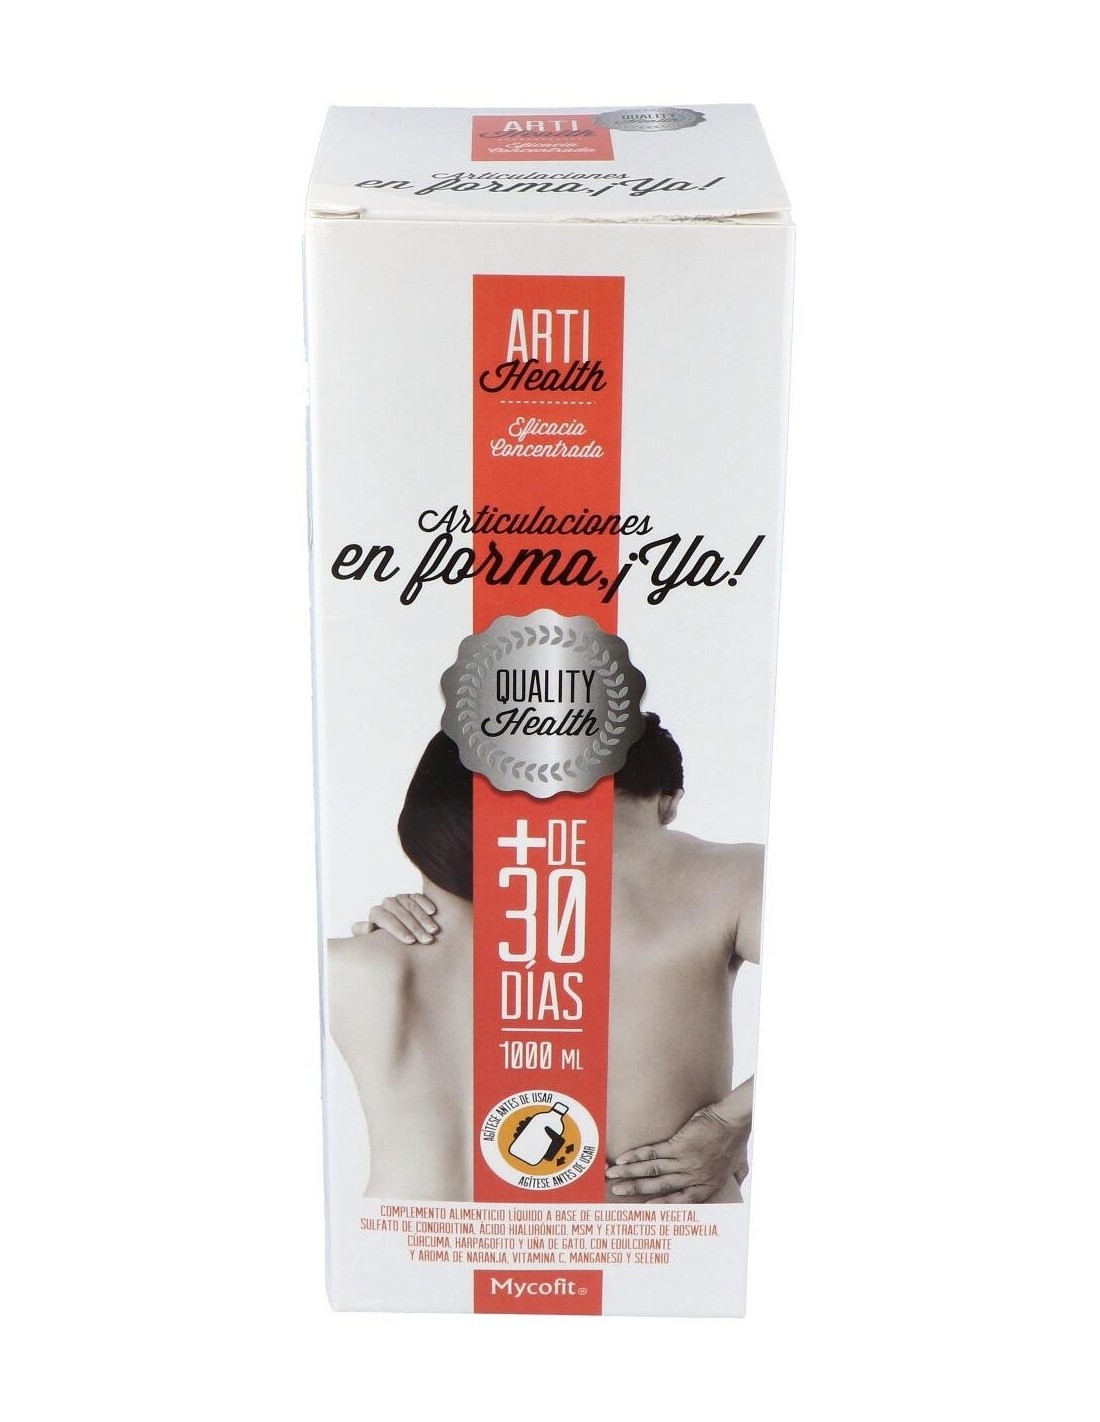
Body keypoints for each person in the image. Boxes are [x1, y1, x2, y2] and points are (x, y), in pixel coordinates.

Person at [328, 715, 761, 1203]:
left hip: (408, 1239)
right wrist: (729, 1122)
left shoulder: (346, 966)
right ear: (670, 800)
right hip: (649, 1231)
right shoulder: (727, 876)